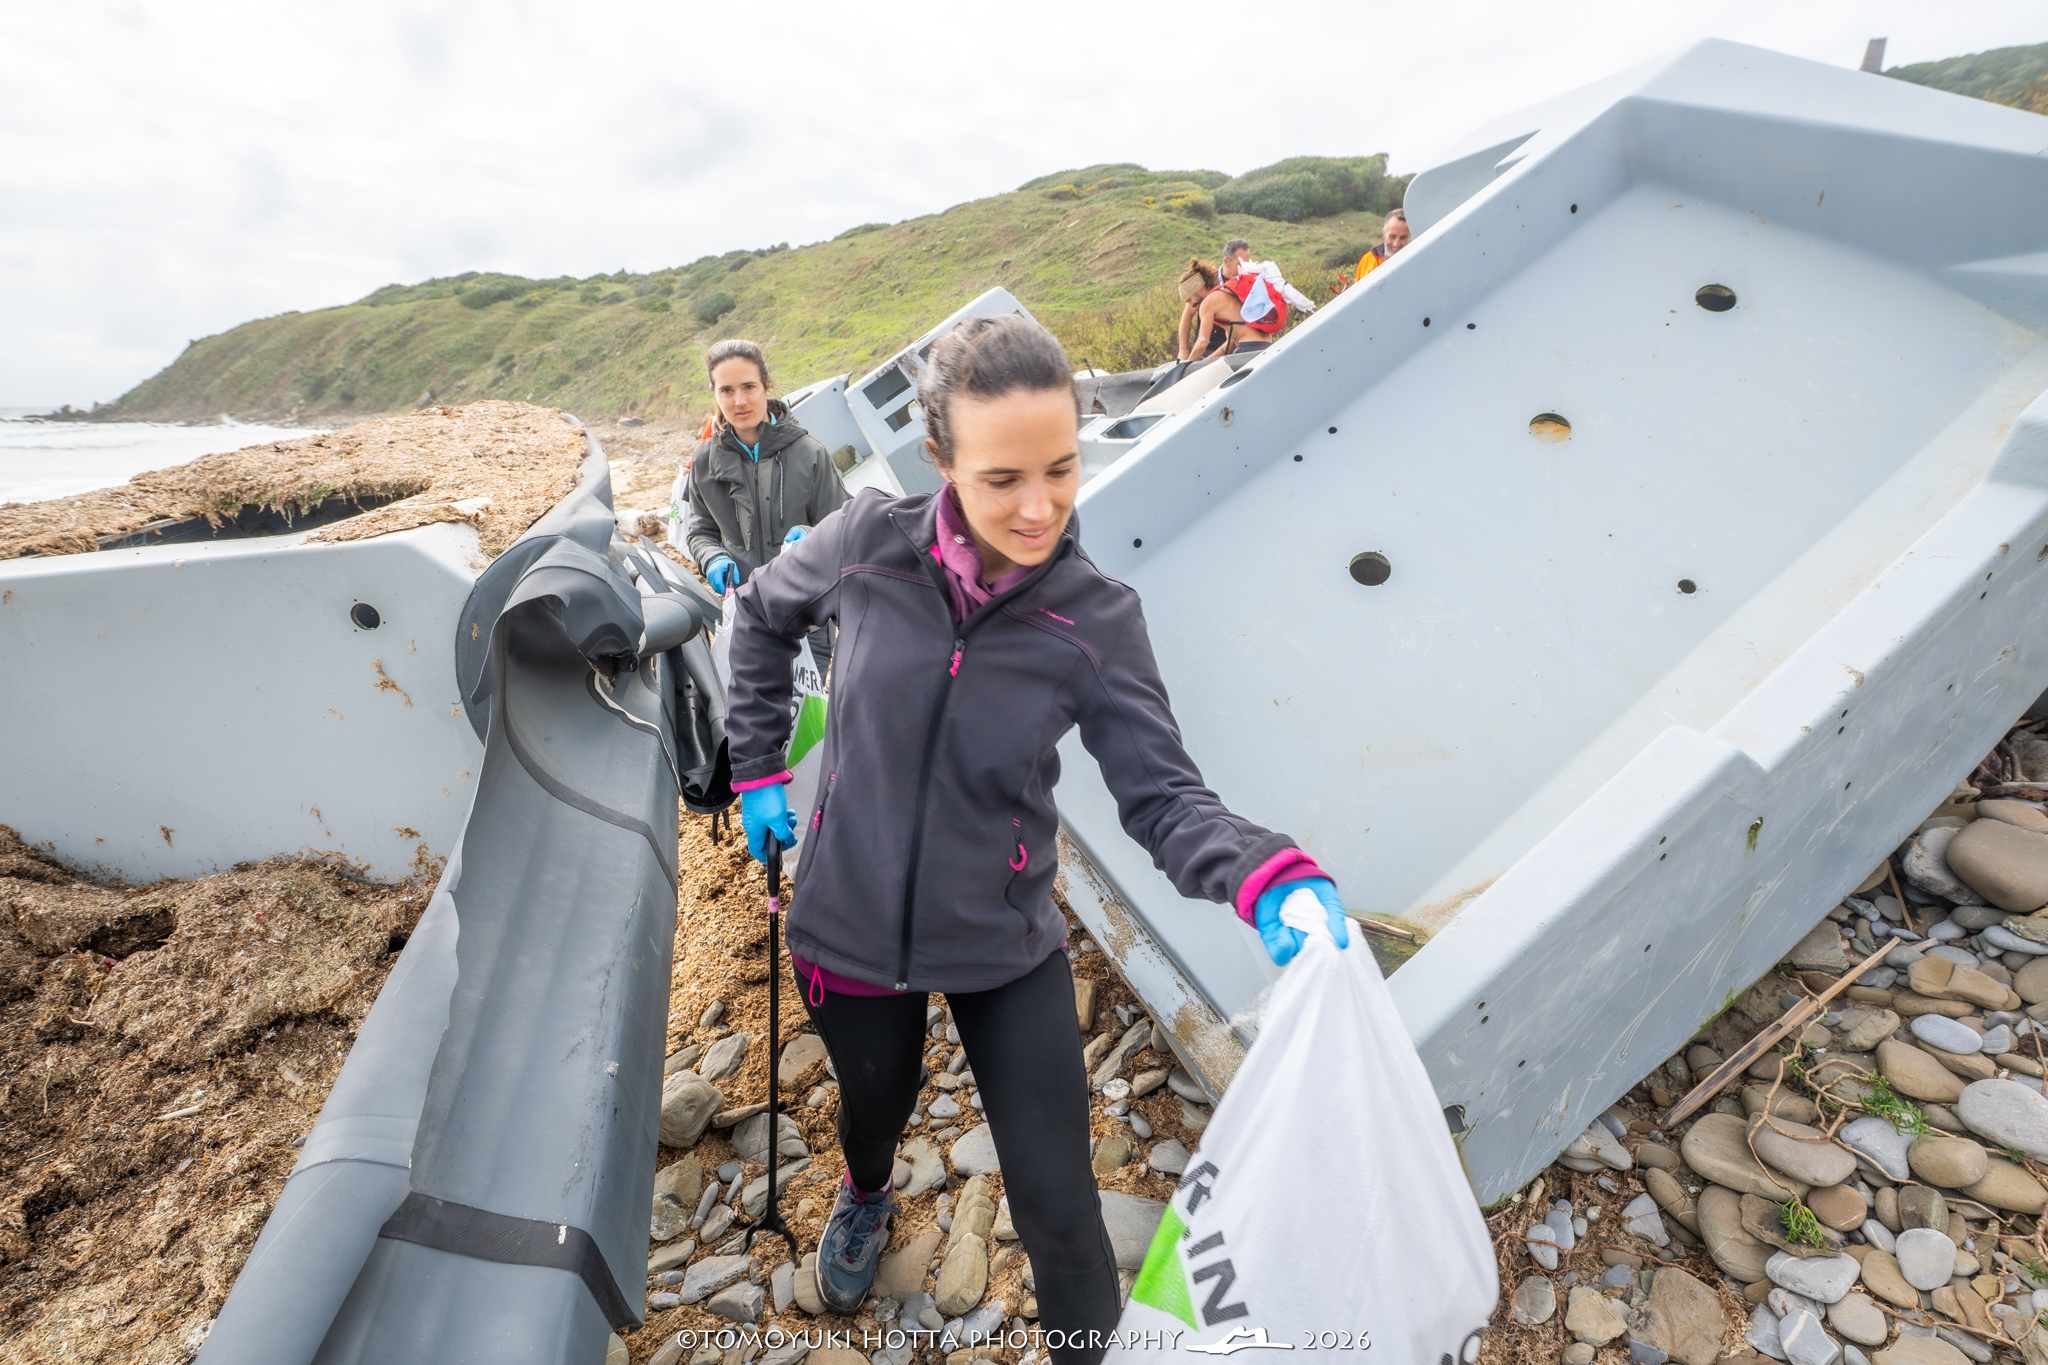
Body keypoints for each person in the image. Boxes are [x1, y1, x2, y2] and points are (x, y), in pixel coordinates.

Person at [721, 315, 1352, 1364]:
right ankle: (866, 1194)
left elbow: (1163, 797)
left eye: (1060, 469)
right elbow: (758, 618)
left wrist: (1264, 875)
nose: (1038, 508)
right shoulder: (865, 543)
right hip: (847, 921)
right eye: (1002, 477)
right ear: (940, 460)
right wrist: (755, 767)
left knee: (1060, 1208)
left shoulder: (1093, 618)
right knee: (875, 1111)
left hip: (1001, 938)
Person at [683, 339, 847, 657]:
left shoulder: (809, 453)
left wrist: (812, 536)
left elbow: (843, 524)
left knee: (804, 693)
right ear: (714, 393)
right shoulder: (704, 460)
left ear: (766, 386)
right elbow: (700, 531)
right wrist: (712, 557)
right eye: (727, 390)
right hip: (747, 615)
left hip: (808, 617)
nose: (739, 401)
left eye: (748, 387)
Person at [1221, 238, 1318, 321]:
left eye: (1247, 262)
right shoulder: (1213, 284)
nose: (1245, 267)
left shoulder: (1254, 281)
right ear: (1226, 262)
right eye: (1240, 263)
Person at [1351, 209, 1410, 285]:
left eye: (1403, 237)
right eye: (1392, 237)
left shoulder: (1415, 262)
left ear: (1409, 236)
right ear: (1384, 233)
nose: (1396, 244)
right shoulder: (1367, 260)